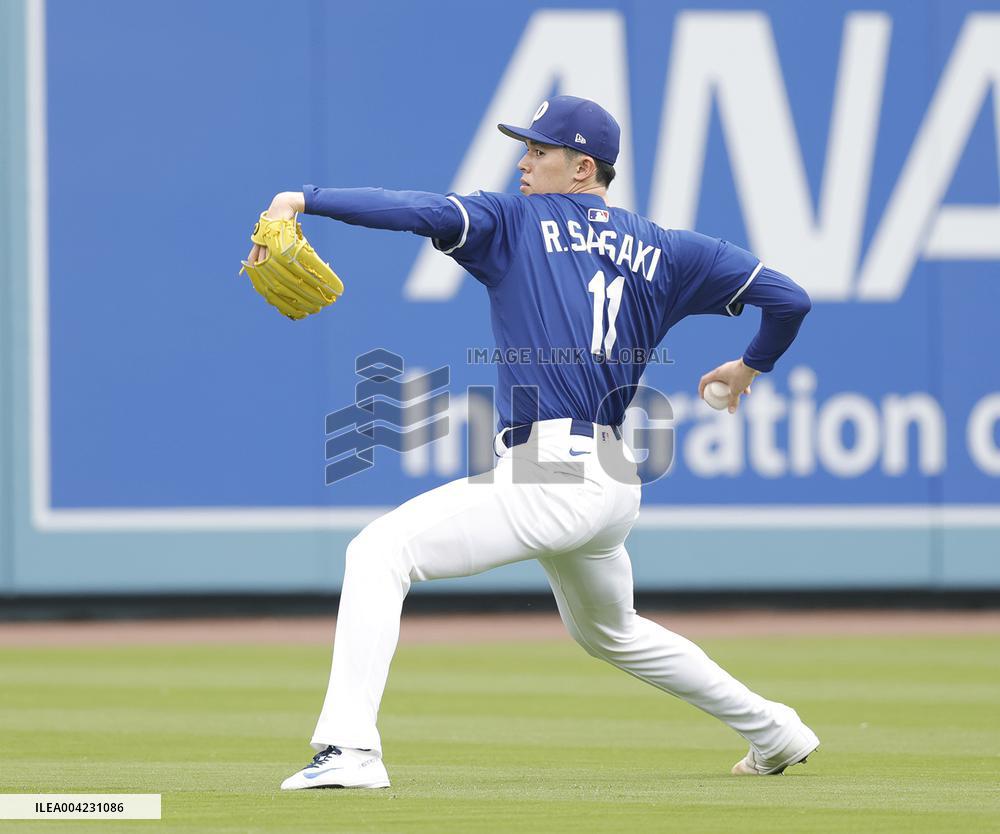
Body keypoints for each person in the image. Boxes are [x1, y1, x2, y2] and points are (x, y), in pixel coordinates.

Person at [247, 95, 817, 790]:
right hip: (612, 476)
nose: (524, 162)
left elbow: (418, 209)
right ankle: (775, 731)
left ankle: (349, 753)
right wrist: (749, 366)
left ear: (583, 169)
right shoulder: (668, 249)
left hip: (554, 468)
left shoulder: (513, 220)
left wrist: (301, 199)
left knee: (378, 551)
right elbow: (789, 298)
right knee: (611, 632)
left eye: (539, 151)